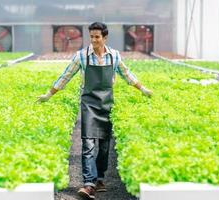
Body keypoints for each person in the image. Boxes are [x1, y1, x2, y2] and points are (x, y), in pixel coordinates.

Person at [37, 22, 152, 200]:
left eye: (97, 37)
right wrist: (48, 94)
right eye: (91, 37)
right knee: (88, 144)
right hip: (89, 104)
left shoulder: (114, 56)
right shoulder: (82, 56)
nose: (94, 40)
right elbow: (66, 76)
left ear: (105, 37)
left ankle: (99, 178)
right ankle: (88, 184)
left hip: (107, 104)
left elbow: (127, 74)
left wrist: (143, 89)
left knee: (104, 146)